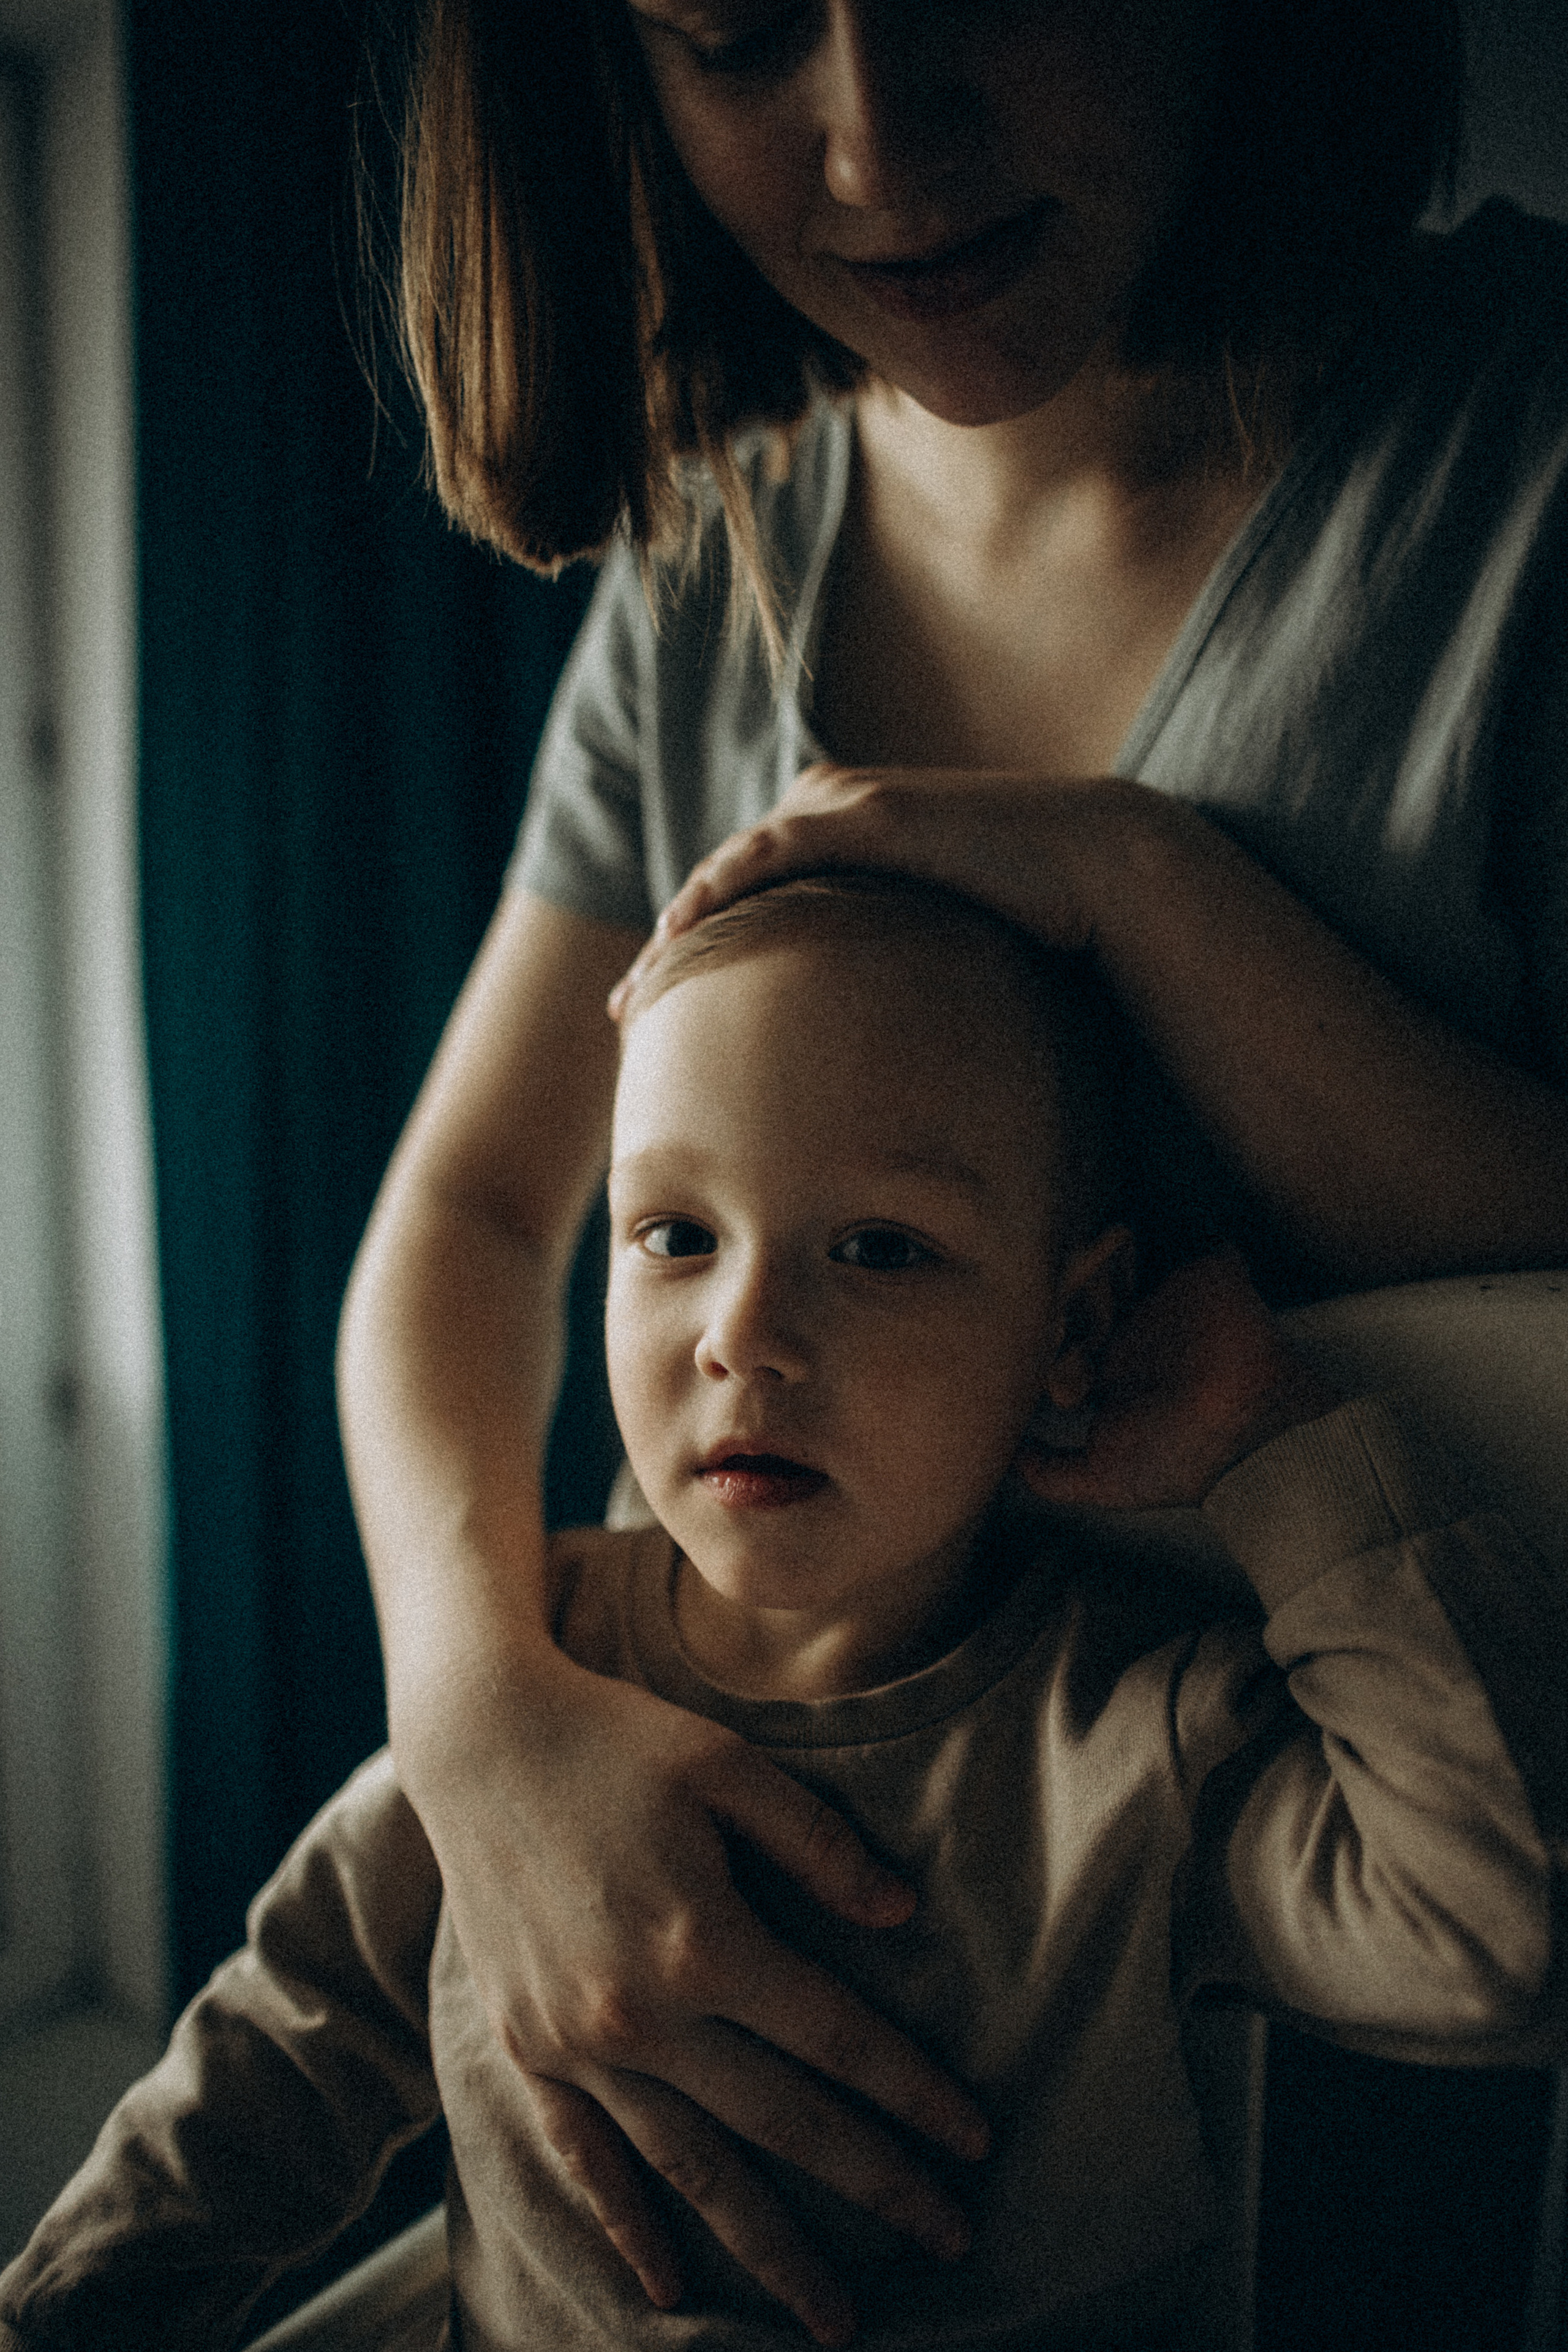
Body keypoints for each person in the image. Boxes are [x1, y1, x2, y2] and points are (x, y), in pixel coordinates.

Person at [341, 0, 1568, 2329]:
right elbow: (476, 1213)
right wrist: (477, 1717)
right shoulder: (714, 556)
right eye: (725, 31)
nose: (884, 150)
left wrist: (1144, 891)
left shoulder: (1524, 445)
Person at [6, 876, 1564, 2352]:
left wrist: (1284, 1451)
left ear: (1073, 1321)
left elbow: (1498, 1936)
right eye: (671, 1235)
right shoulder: (524, 1675)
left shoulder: (1137, 1738)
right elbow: (269, 2077)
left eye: (877, 1248)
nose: (739, 1336)